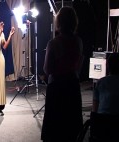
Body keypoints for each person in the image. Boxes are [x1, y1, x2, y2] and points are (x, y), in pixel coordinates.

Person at [41, 6, 84, 142]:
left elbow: (47, 69)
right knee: (71, 128)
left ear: (59, 22)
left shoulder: (53, 43)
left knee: (56, 129)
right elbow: (78, 66)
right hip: (73, 85)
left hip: (57, 88)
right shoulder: (78, 41)